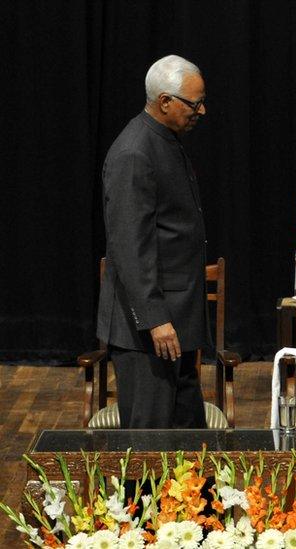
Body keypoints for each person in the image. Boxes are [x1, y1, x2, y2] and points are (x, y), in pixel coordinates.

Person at [97, 55, 210, 429]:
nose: (202, 111)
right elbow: (130, 247)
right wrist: (156, 319)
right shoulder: (134, 151)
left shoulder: (166, 138)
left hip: (178, 321)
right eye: (194, 104)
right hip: (149, 330)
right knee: (151, 443)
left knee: (188, 444)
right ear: (165, 101)